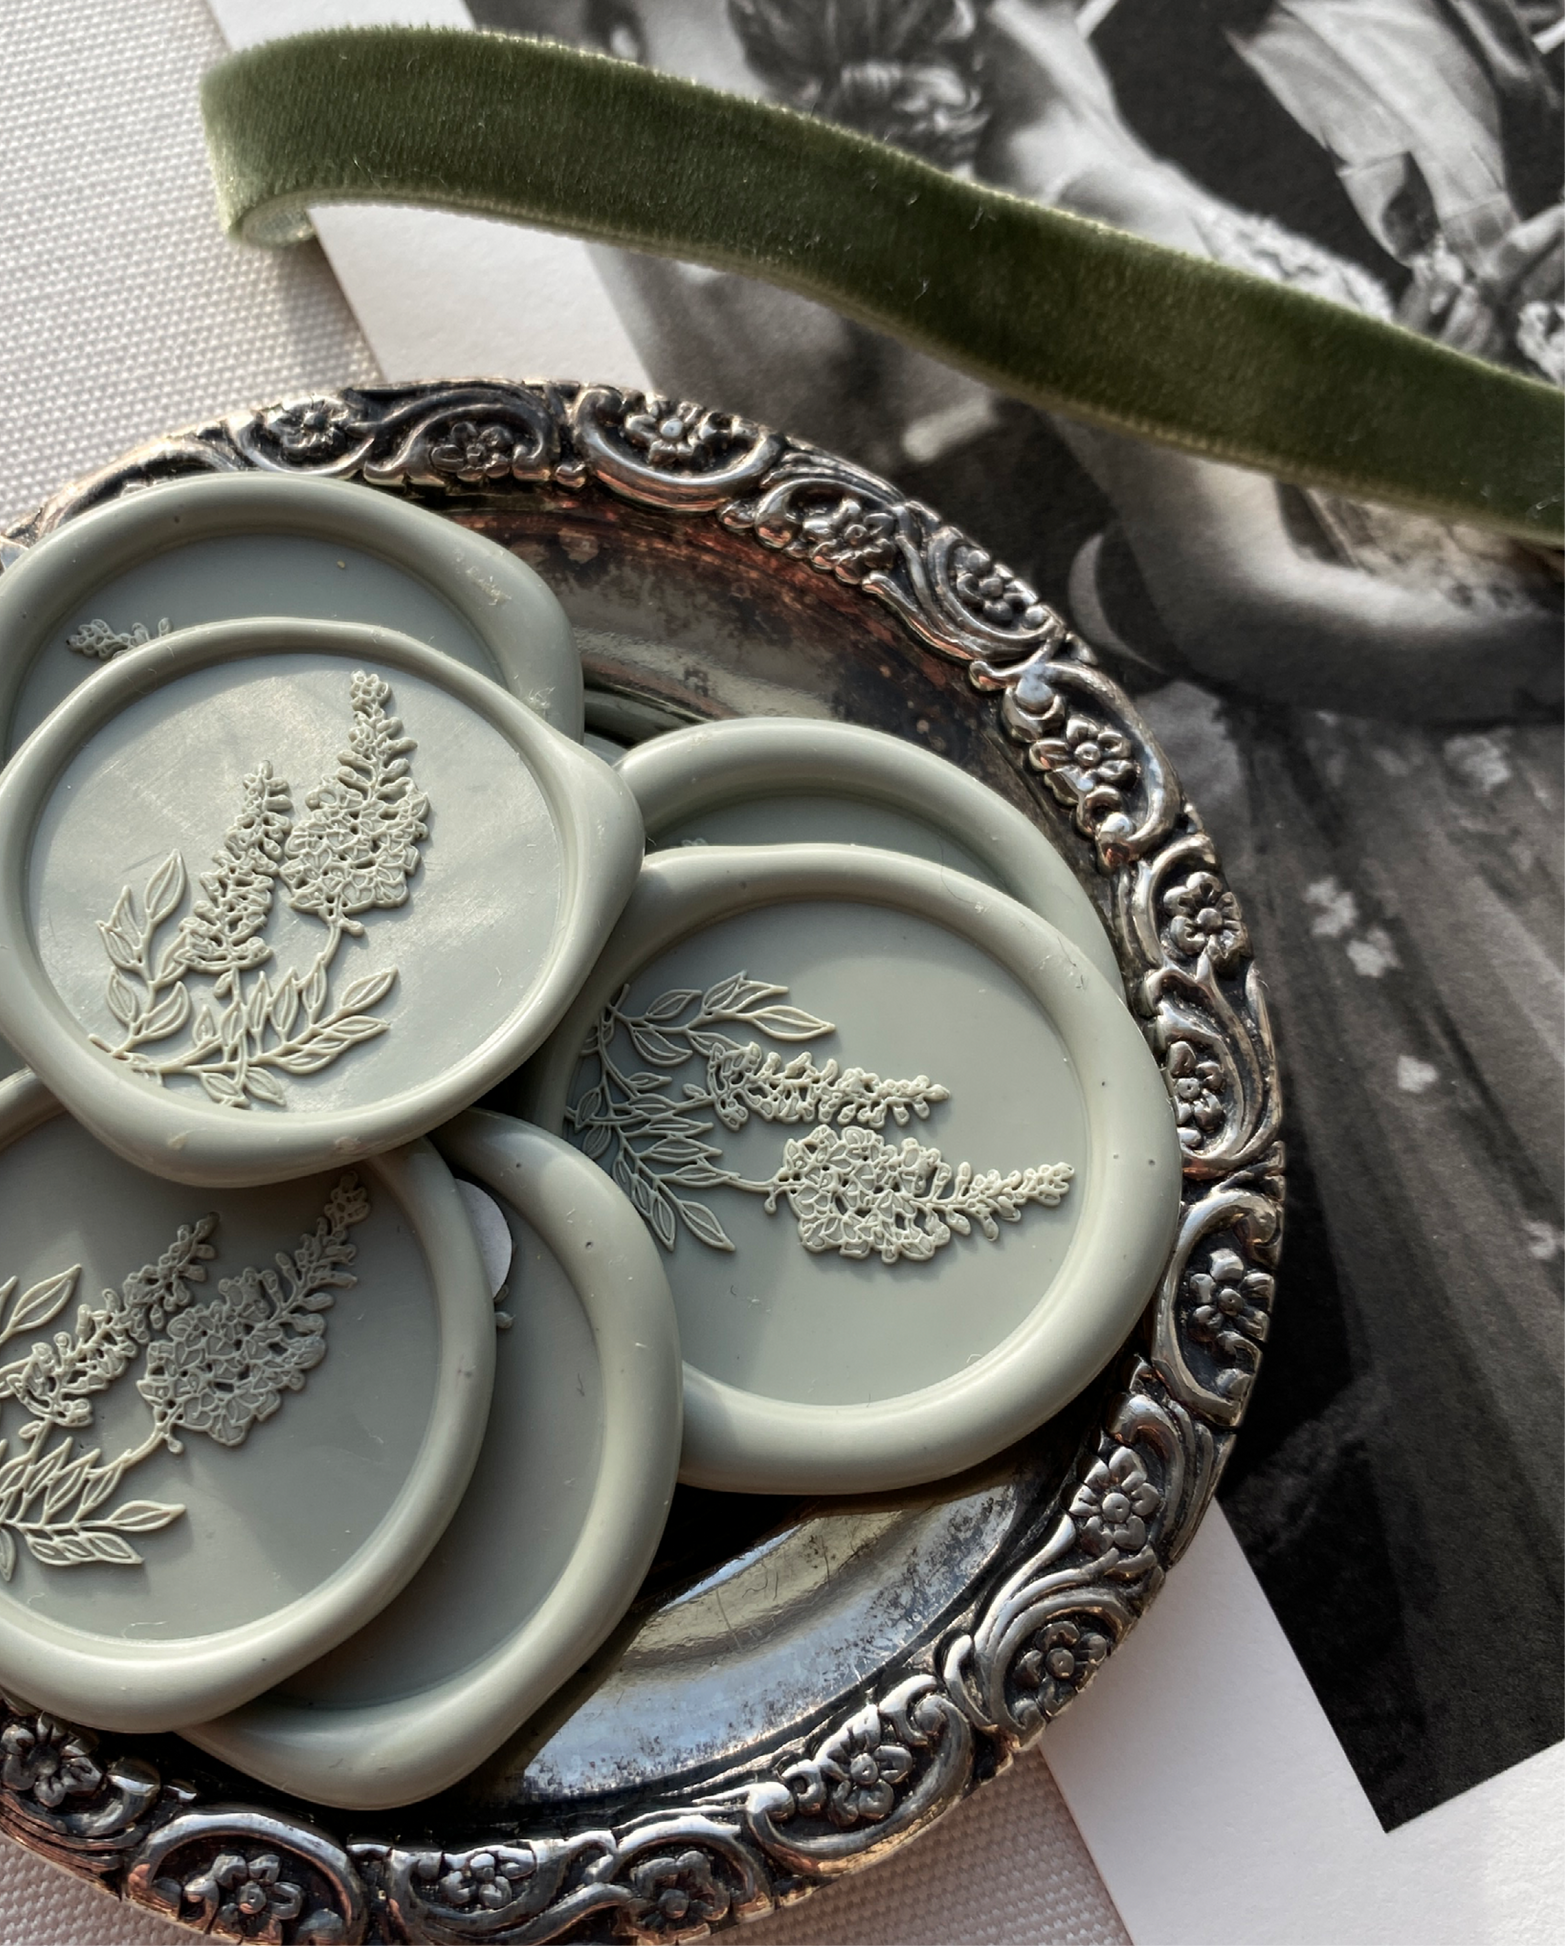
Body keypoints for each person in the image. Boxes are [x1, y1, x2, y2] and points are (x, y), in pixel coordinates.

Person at [474, 0, 1565, 1825]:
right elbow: (1235, 601)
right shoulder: (1080, 217)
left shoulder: (1105, 169)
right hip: (1426, 767)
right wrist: (1528, 667)